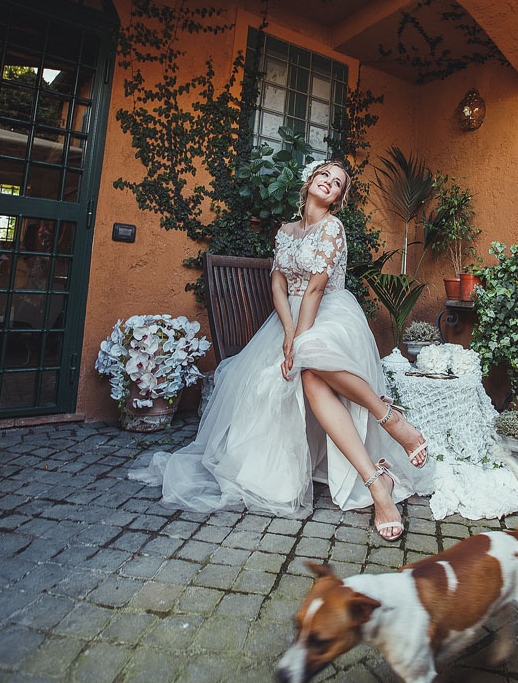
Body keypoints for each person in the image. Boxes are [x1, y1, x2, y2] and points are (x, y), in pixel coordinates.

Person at [129, 159, 430, 539]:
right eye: (325, 175)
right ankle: (377, 475)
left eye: (337, 183)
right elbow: (278, 285)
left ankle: (386, 429)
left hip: (330, 313)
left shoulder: (333, 228)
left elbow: (316, 289)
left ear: (338, 199)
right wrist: (289, 332)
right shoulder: (285, 231)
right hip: (289, 318)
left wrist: (298, 344)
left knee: (309, 359)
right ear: (310, 180)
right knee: (310, 379)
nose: (329, 182)